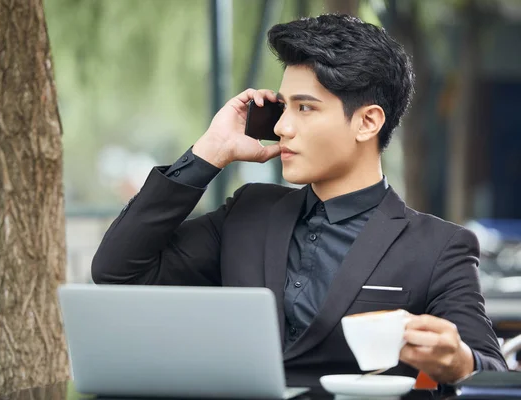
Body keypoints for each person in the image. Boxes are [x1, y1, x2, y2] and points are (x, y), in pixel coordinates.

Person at [91, 14, 507, 386]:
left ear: (367, 121)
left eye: (305, 108)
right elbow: (118, 270)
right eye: (283, 107)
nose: (283, 127)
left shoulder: (438, 247)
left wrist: (459, 361)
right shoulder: (247, 212)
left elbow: (494, 373)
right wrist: (209, 152)